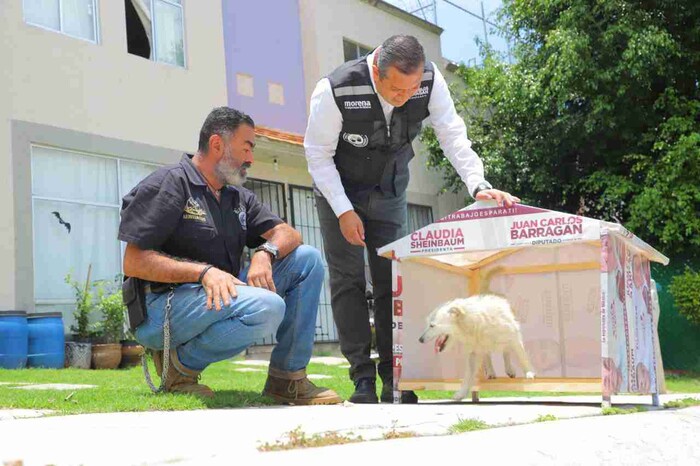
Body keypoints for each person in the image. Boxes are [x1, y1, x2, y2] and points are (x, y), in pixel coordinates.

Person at [304, 35, 519, 403]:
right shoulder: (335, 89)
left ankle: (394, 377)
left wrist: (477, 183)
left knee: (392, 279)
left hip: (389, 190)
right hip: (338, 190)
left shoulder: (431, 81)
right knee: (348, 281)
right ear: (376, 71)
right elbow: (317, 153)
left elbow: (452, 134)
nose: (405, 96)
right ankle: (362, 379)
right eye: (396, 89)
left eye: (412, 88)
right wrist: (343, 210)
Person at [118, 106, 341, 405]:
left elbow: (289, 234)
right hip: (160, 308)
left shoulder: (237, 197)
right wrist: (202, 273)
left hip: (213, 298)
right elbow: (133, 261)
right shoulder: (169, 184)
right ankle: (179, 367)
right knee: (268, 308)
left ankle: (287, 379)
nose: (250, 158)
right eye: (246, 147)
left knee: (307, 260)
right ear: (216, 145)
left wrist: (265, 252)